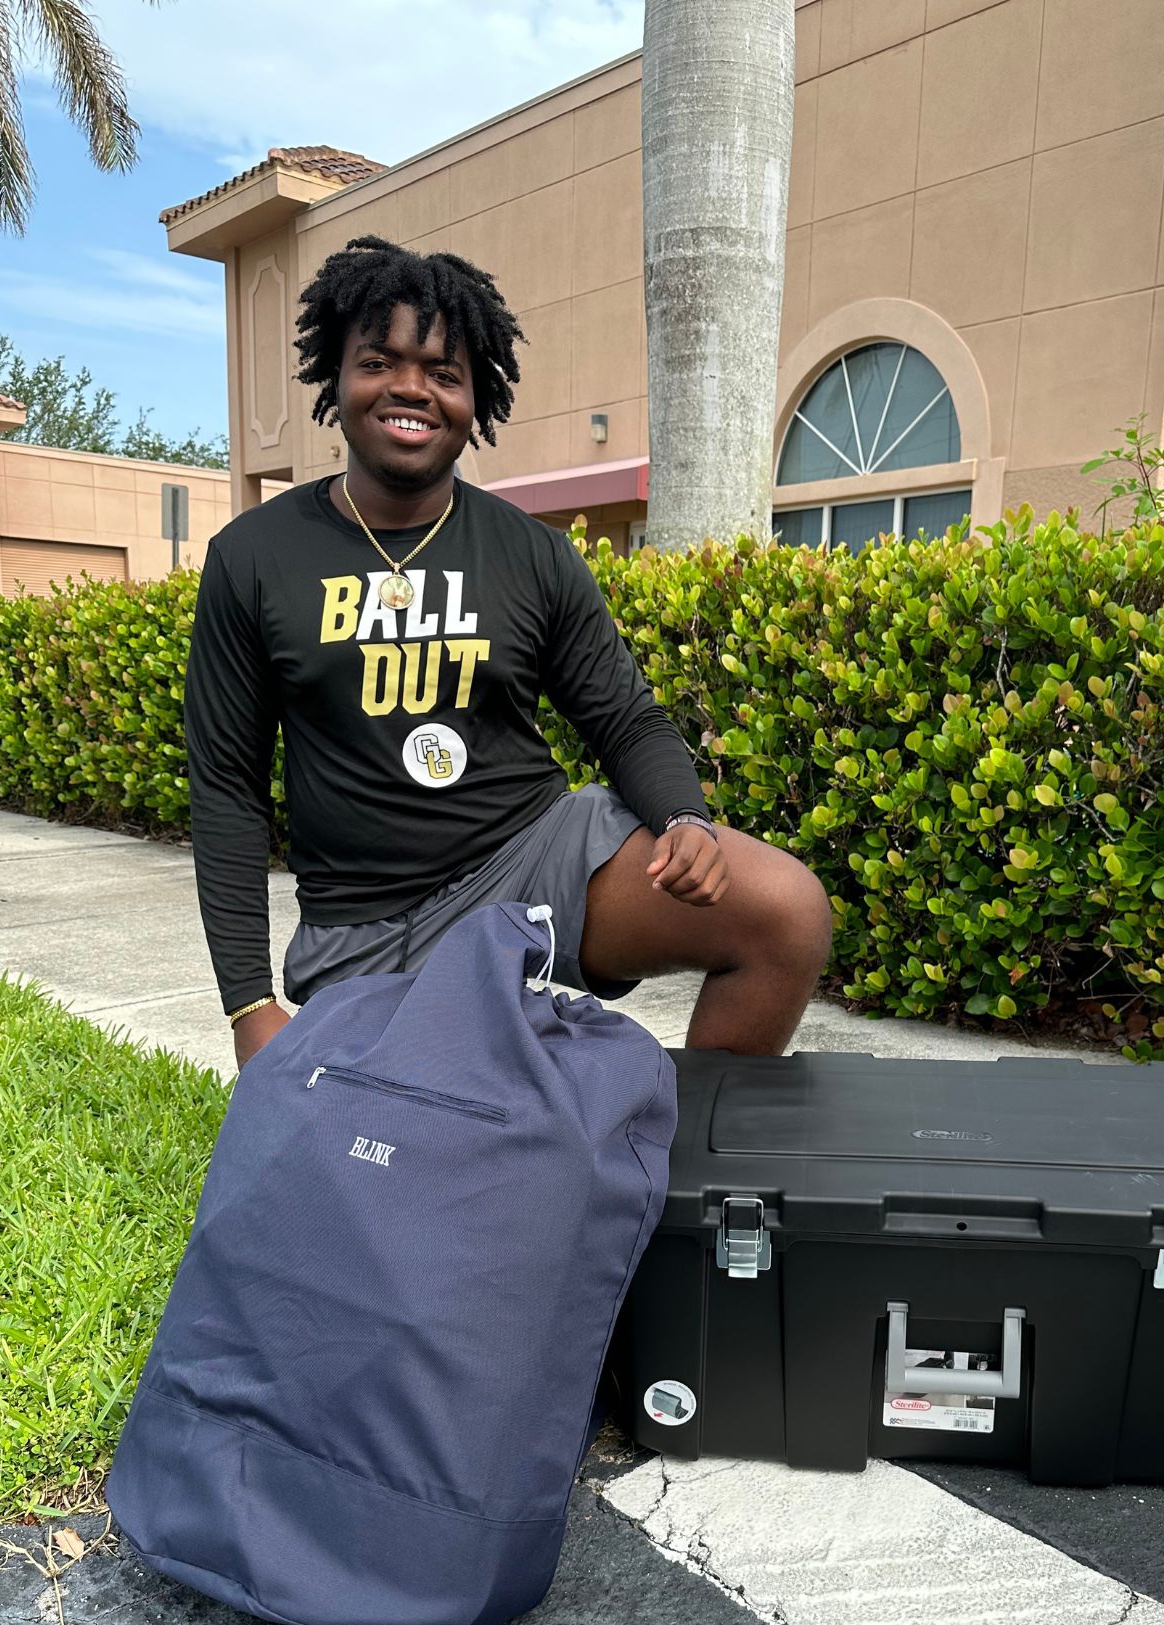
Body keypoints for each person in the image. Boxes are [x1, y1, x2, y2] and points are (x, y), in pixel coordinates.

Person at [184, 235, 831, 1069]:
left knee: (785, 912)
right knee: (409, 1166)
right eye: (380, 360)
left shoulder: (532, 554)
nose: (412, 388)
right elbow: (228, 787)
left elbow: (623, 717)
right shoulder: (255, 556)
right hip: (362, 921)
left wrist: (684, 817)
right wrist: (247, 1003)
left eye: (445, 374)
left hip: (532, 859)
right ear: (337, 378)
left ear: (475, 397)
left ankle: (681, 1170)